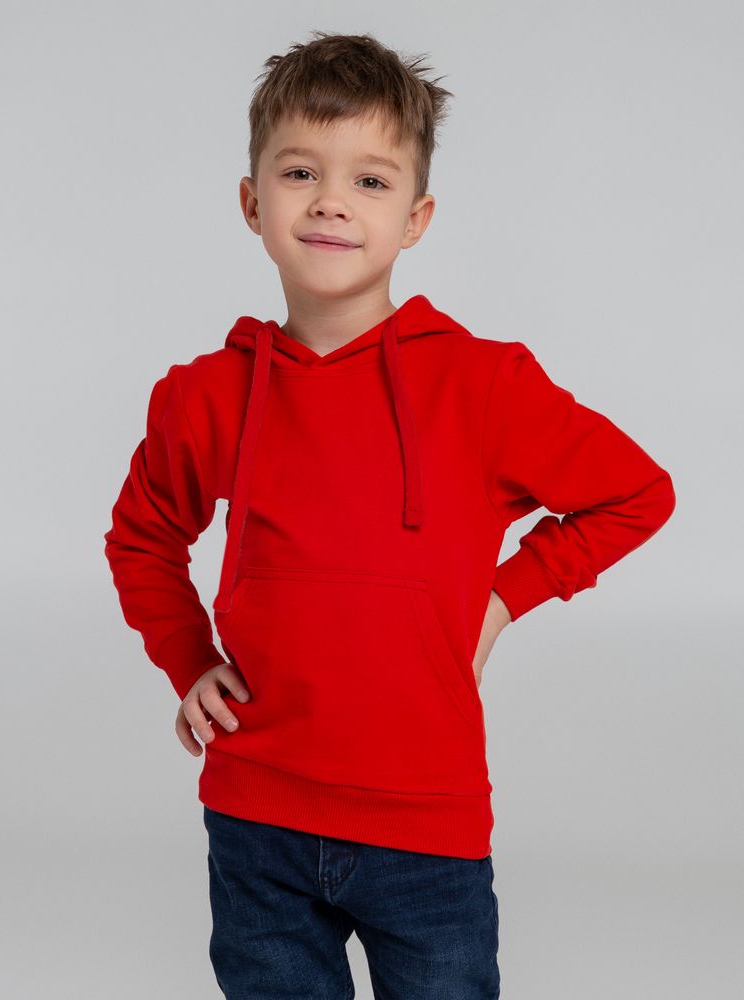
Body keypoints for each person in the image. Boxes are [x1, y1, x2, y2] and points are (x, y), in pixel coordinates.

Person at [103, 30, 676, 1000]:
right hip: (256, 817)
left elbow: (636, 492)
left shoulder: (483, 386)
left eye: (369, 181)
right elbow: (144, 534)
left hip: (425, 829)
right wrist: (187, 657)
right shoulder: (207, 395)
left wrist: (503, 597)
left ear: (415, 219)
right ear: (252, 202)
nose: (330, 200)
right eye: (300, 172)